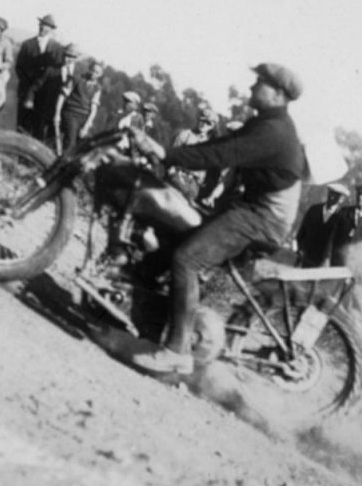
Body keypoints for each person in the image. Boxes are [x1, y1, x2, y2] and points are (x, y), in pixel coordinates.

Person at [127, 63, 307, 374]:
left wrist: (167, 155)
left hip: (261, 218)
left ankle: (177, 351)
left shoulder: (274, 132)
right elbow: (217, 146)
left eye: (259, 83)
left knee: (187, 260)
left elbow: (221, 156)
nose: (251, 88)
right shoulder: (265, 123)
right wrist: (169, 153)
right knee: (173, 233)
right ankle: (149, 325)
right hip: (250, 209)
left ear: (278, 94)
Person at [14, 13, 65, 142]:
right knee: (23, 124)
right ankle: (18, 155)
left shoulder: (57, 48)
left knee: (39, 126)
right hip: (26, 90)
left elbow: (57, 72)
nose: (43, 28)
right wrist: (28, 85)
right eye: (42, 25)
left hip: (45, 95)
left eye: (47, 27)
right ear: (39, 25)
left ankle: (31, 160)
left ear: (52, 30)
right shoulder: (27, 44)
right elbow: (19, 67)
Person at [55, 57, 104, 154]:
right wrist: (57, 114)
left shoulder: (97, 88)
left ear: (100, 74)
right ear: (89, 68)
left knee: (82, 145)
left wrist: (87, 126)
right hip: (71, 113)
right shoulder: (77, 78)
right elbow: (62, 96)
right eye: (93, 70)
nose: (94, 73)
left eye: (97, 72)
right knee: (70, 143)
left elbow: (93, 109)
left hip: (84, 117)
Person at [168, 107, 217, 203]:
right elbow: (172, 154)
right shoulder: (186, 135)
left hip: (194, 183)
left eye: (208, 123)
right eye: (202, 121)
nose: (204, 125)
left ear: (212, 127)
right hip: (178, 176)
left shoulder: (212, 143)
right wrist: (172, 171)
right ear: (198, 120)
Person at [295, 182, 350, 268]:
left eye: (336, 195)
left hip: (324, 262)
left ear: (341, 200)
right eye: (331, 193)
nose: (332, 197)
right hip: (306, 257)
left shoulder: (342, 219)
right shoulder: (314, 210)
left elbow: (340, 244)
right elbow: (302, 232)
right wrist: (301, 249)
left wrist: (330, 260)